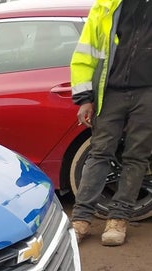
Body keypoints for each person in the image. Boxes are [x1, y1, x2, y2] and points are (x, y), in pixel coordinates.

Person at [69, 0, 152, 247]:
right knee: (99, 154)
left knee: (136, 157)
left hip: (148, 94)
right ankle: (81, 219)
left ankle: (118, 219)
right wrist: (84, 98)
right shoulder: (107, 5)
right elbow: (85, 53)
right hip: (111, 92)